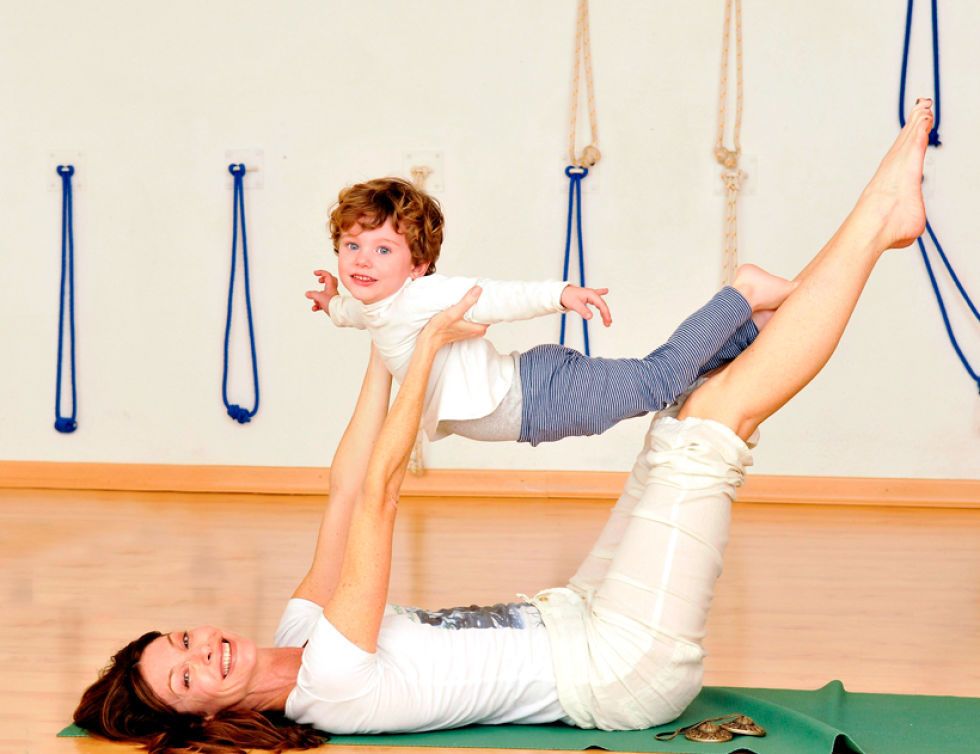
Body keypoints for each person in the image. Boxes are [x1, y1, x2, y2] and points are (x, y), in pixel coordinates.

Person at [74, 100, 934, 752]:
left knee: (679, 420)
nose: (204, 653)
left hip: (574, 615)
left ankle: (788, 281)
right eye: (186, 678)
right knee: (710, 423)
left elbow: (343, 485)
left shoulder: (301, 634)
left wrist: (389, 341)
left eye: (182, 641)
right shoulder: (327, 686)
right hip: (614, 670)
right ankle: (874, 226)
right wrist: (432, 340)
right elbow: (378, 495)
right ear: (208, 718)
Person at [306, 177, 794, 445]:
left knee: (659, 380)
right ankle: (750, 329)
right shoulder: (377, 303)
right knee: (661, 388)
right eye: (352, 245)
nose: (362, 260)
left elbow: (494, 294)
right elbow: (354, 313)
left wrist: (559, 294)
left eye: (383, 249)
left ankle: (743, 293)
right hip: (532, 407)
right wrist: (332, 302)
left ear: (420, 265)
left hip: (537, 395)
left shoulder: (423, 295)